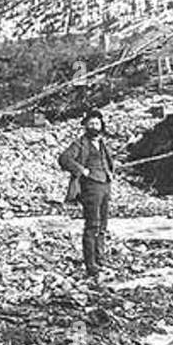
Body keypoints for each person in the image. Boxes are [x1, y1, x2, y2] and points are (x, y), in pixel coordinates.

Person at [58, 108, 115, 280]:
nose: (94, 127)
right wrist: (82, 170)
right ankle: (91, 266)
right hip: (90, 188)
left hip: (105, 186)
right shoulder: (80, 143)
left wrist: (111, 172)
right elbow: (64, 159)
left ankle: (100, 259)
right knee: (92, 226)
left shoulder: (102, 143)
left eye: (97, 123)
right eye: (90, 124)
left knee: (103, 226)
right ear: (85, 126)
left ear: (101, 125)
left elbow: (107, 161)